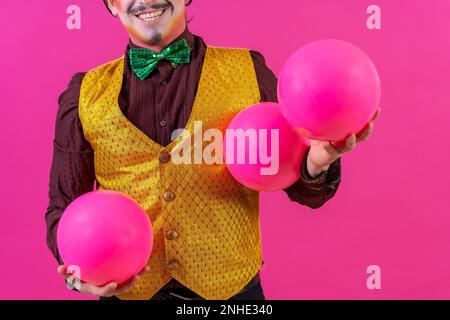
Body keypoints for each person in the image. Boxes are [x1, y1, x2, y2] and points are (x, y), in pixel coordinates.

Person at [45, 0, 379, 300]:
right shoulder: (83, 94)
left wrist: (319, 161)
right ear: (111, 4)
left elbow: (301, 188)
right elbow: (63, 208)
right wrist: (78, 276)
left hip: (233, 298)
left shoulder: (248, 71)